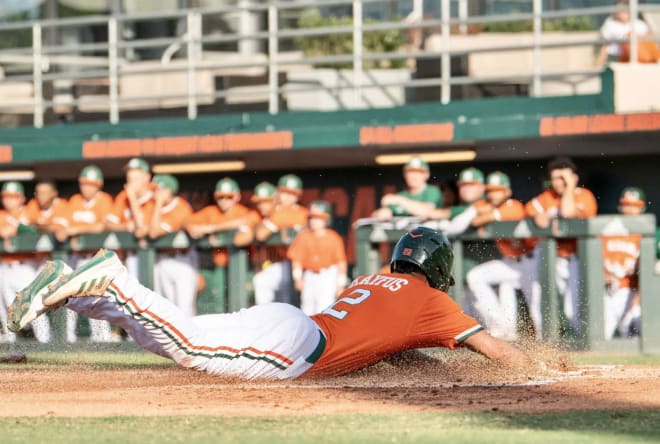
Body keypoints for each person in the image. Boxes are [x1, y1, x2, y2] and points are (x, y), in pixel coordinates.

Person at [8, 227, 540, 380]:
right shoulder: (432, 302)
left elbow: (386, 345)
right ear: (440, 269)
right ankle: (116, 282)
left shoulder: (375, 279)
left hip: (289, 324)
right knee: (188, 344)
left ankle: (82, 292)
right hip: (297, 346)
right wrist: (543, 368)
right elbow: (496, 351)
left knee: (179, 337)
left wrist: (430, 370)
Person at [525, 157, 597, 338]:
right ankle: (545, 344)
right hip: (549, 258)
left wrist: (569, 187)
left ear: (574, 178)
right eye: (555, 178)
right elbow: (532, 212)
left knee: (573, 309)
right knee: (538, 300)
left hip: (576, 259)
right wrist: (539, 217)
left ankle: (585, 345)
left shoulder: (584, 196)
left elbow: (567, 212)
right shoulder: (545, 197)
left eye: (563, 178)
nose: (559, 182)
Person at [465, 172, 538, 341]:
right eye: (490, 190)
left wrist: (485, 217)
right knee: (476, 276)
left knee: (536, 309)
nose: (493, 194)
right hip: (510, 263)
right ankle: (501, 327)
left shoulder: (514, 206)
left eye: (498, 190)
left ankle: (551, 349)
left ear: (507, 192)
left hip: (532, 261)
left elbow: (477, 221)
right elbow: (473, 221)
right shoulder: (489, 206)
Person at [61, 166, 116, 343]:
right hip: (78, 258)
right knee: (70, 298)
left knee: (97, 300)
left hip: (97, 259)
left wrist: (76, 230)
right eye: (84, 184)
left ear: (98, 185)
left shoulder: (104, 200)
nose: (87, 188)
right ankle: (67, 339)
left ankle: (103, 339)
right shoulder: (75, 200)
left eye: (91, 184)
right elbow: (63, 228)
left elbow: (102, 227)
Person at [185, 177, 251, 310]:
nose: (224, 200)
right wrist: (197, 229)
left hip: (242, 267)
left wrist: (211, 228)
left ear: (237, 196)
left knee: (243, 305)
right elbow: (188, 224)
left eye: (229, 196)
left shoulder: (244, 211)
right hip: (215, 266)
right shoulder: (211, 211)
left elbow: (244, 227)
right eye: (221, 197)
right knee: (213, 304)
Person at [0, 181, 51, 343]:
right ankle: (10, 346)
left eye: (14, 197)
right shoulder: (1, 215)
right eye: (6, 197)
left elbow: (40, 227)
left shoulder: (30, 210)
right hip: (5, 266)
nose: (10, 200)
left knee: (33, 307)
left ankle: (45, 342)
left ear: (21, 198)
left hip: (26, 266)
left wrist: (19, 228)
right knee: (6, 311)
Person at [252, 174, 308, 306]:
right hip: (277, 262)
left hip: (303, 265)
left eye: (292, 193)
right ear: (278, 193)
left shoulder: (304, 213)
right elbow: (260, 235)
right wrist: (278, 222)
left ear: (298, 195)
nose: (288, 197)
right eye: (285, 193)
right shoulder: (274, 212)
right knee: (261, 282)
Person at [287, 200, 348, 315]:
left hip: (328, 275)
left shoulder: (333, 237)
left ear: (326, 219)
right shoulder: (304, 236)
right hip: (309, 275)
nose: (315, 221)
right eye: (313, 218)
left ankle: (321, 333)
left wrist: (341, 283)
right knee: (307, 310)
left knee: (324, 309)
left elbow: (341, 262)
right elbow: (297, 260)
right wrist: (297, 278)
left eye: (319, 218)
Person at [149, 174, 196, 317]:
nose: (154, 194)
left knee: (185, 309)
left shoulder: (180, 206)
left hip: (182, 260)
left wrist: (157, 204)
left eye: (158, 190)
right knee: (168, 310)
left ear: (168, 191)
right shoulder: (152, 206)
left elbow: (153, 232)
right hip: (162, 259)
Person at [601, 187, 645, 339]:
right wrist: (603, 274)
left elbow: (646, 272)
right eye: (627, 205)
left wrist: (639, 297)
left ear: (641, 208)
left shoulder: (644, 234)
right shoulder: (608, 229)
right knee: (600, 335)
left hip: (630, 290)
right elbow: (593, 259)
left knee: (635, 332)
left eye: (635, 206)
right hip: (606, 290)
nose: (630, 210)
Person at [105, 157, 156, 280]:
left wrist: (132, 197)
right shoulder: (123, 197)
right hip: (129, 256)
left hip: (155, 257)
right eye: (129, 179)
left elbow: (141, 228)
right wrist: (124, 227)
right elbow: (108, 224)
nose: (130, 184)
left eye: (135, 179)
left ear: (146, 178)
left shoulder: (155, 196)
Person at [372, 157, 442, 221]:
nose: (413, 176)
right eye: (410, 172)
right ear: (405, 175)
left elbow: (427, 212)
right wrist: (382, 213)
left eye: (418, 172)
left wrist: (399, 200)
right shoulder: (401, 195)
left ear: (426, 175)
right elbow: (382, 214)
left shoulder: (432, 191)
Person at [595, 0, 656, 67]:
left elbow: (651, 39)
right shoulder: (610, 24)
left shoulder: (639, 24)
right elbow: (604, 48)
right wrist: (598, 66)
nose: (618, 12)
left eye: (622, 9)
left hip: (638, 58)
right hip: (617, 57)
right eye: (617, 9)